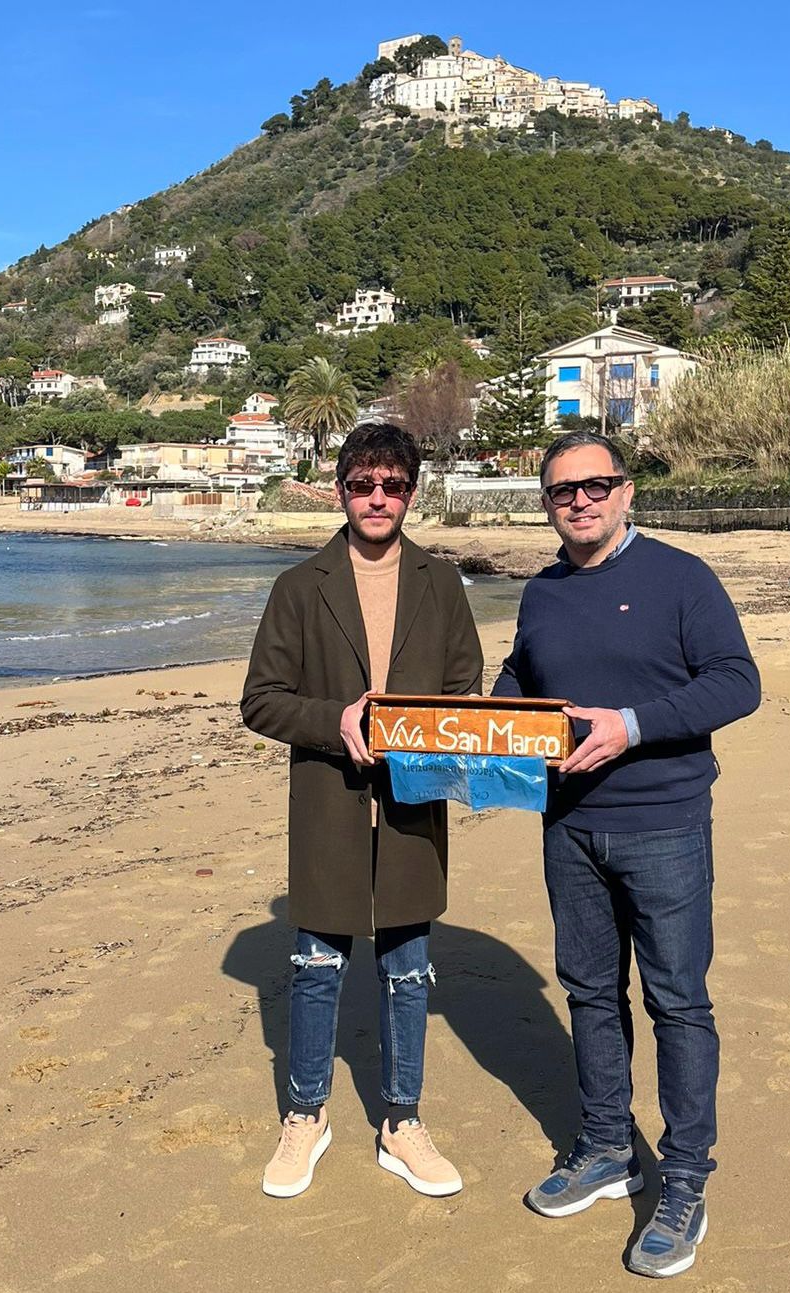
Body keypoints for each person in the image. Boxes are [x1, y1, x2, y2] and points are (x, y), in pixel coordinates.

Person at [492, 430, 760, 1278]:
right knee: (587, 991)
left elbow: (735, 680)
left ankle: (684, 1180)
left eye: (595, 485)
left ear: (626, 491)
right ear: (547, 503)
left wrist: (629, 725)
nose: (580, 500)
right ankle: (608, 1145)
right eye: (562, 491)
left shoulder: (681, 577)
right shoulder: (541, 591)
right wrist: (480, 722)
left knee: (677, 1001)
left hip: (664, 822)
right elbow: (518, 682)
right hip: (566, 823)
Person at [241, 421, 484, 1200]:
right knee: (316, 965)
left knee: (409, 968)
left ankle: (401, 1120)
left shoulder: (441, 584)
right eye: (361, 484)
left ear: (411, 493)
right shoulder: (299, 586)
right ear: (340, 487)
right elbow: (261, 701)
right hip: (328, 802)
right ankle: (305, 1114)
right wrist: (333, 721)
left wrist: (459, 740)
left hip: (413, 806)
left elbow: (462, 695)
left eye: (393, 486)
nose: (377, 499)